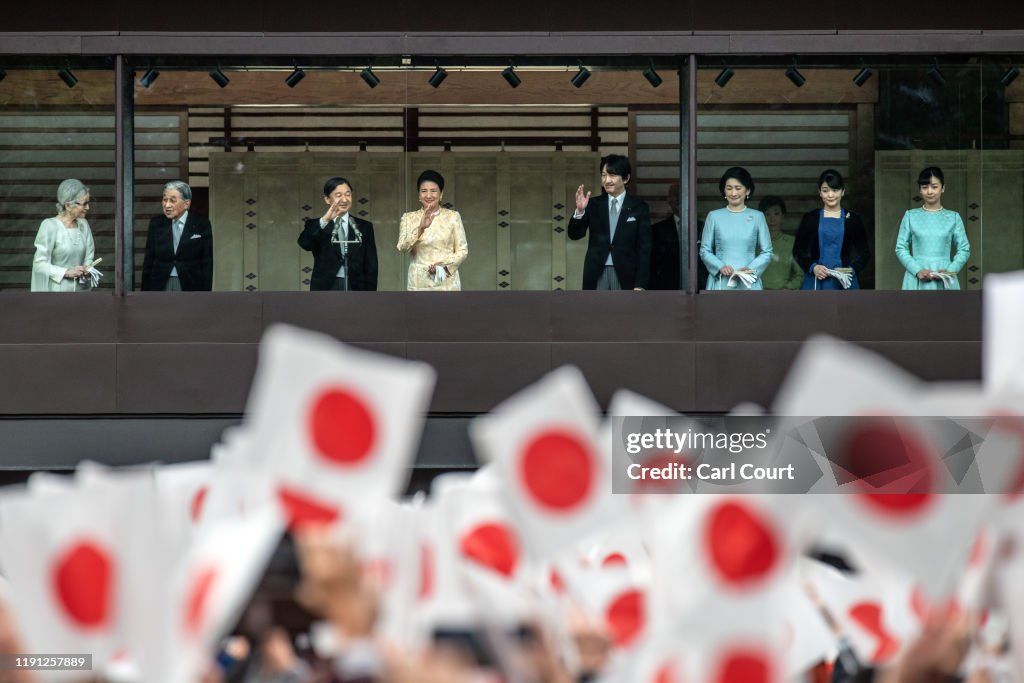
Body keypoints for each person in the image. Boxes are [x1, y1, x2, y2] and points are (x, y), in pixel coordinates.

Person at [568, 154, 651, 290]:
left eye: (612, 175)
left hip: (626, 272)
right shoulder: (593, 204)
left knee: (623, 311)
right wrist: (580, 211)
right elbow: (574, 234)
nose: (607, 180)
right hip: (597, 272)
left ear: (626, 178)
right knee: (596, 310)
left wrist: (640, 284)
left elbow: (644, 249)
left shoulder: (639, 207)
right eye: (603, 175)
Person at [895, 166, 970, 291]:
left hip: (945, 276)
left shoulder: (953, 217)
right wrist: (917, 270)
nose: (929, 191)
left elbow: (964, 249)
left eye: (934, 187)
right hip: (916, 276)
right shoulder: (910, 216)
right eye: (925, 187)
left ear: (943, 188)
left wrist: (950, 271)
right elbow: (900, 248)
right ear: (920, 190)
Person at [792, 170, 871, 290]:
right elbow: (798, 251)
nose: (830, 195)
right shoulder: (810, 218)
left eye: (835, 190)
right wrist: (813, 267)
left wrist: (851, 269)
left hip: (844, 281)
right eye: (825, 190)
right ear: (819, 192)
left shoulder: (853, 219)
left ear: (843, 192)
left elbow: (865, 253)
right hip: (816, 281)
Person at [298, 177, 378, 291]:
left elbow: (371, 264)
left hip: (356, 286)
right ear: (327, 199)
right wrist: (325, 219)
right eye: (339, 195)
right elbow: (305, 244)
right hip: (326, 286)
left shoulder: (364, 226)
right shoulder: (316, 224)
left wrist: (371, 295)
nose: (345, 199)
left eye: (348, 194)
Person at [699, 166, 773, 290]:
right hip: (721, 282)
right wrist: (720, 266)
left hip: (748, 282)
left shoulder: (757, 217)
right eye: (729, 188)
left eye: (738, 188)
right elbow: (704, 250)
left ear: (747, 191)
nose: (733, 193)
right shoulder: (714, 216)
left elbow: (767, 251)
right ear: (724, 191)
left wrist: (750, 269)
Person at [397, 170, 469, 291]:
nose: (429, 195)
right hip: (418, 283)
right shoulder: (408, 218)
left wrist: (443, 265)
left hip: (446, 281)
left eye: (433, 191)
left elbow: (462, 251)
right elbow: (402, 247)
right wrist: (420, 229)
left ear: (441, 194)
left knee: (447, 310)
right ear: (419, 195)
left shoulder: (453, 217)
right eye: (424, 191)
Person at [141, 180, 214, 291]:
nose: (167, 205)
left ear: (186, 203)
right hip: (160, 282)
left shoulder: (201, 223)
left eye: (172, 200)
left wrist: (206, 292)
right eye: (165, 200)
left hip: (191, 283)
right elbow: (149, 260)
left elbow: (207, 261)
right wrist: (144, 292)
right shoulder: (156, 224)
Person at [31, 178, 97, 292]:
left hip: (82, 293)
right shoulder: (49, 226)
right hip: (57, 295)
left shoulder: (83, 225)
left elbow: (89, 256)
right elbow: (39, 264)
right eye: (84, 203)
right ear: (68, 205)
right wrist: (66, 272)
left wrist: (87, 269)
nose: (88, 207)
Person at [758, 195, 802, 290]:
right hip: (758, 295)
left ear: (783, 217)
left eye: (776, 214)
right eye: (767, 214)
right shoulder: (754, 244)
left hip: (785, 296)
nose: (772, 219)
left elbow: (800, 275)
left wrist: (787, 288)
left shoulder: (792, 242)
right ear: (760, 218)